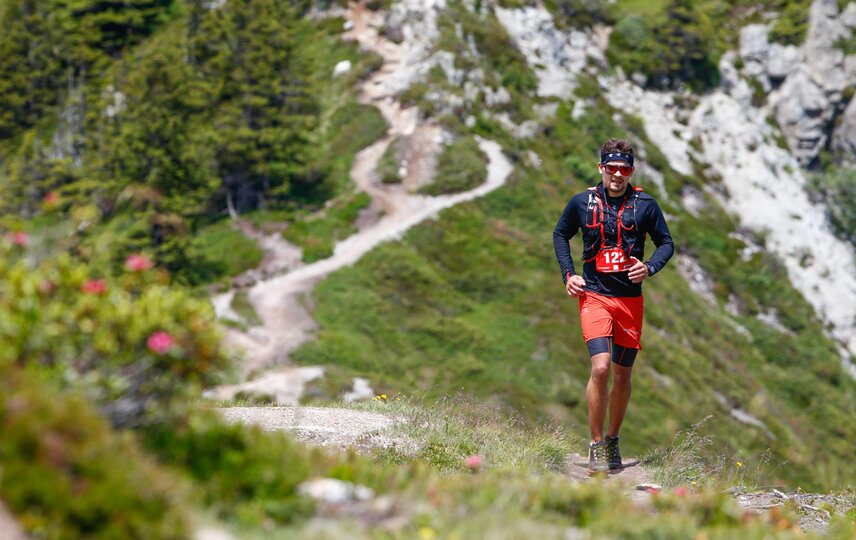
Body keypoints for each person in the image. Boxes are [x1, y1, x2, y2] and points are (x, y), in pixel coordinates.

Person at [552, 138, 674, 471]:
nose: (617, 174)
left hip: (629, 301)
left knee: (622, 375)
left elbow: (666, 243)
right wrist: (568, 274)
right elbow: (561, 234)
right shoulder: (582, 202)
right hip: (594, 295)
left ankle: (613, 437)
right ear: (601, 169)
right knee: (601, 367)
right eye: (611, 168)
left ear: (631, 171)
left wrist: (648, 267)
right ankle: (595, 444)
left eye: (623, 169)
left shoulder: (646, 205)